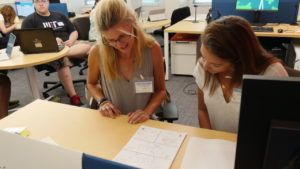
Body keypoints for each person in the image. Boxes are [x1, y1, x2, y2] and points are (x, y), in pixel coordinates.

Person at [193, 16, 288, 133]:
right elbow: (202, 110)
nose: (206, 67)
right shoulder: (203, 67)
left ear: (239, 61)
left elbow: (281, 125)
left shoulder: (272, 74)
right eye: (203, 57)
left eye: (216, 65)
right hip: (217, 143)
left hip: (251, 144)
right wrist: (210, 140)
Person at [87, 0, 166, 124]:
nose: (118, 45)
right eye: (111, 40)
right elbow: (91, 84)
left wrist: (146, 112)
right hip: (114, 120)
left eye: (122, 36)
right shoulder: (97, 51)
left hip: (144, 121)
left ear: (133, 23)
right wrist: (103, 101)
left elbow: (161, 90)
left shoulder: (152, 49)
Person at [22, 0, 92, 106]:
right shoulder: (29, 21)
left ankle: (98, 85)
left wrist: (71, 40)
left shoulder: (59, 16)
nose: (41, 3)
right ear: (34, 4)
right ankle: (73, 97)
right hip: (49, 50)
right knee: (62, 62)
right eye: (37, 1)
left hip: (69, 45)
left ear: (48, 2)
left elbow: (73, 31)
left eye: (44, 1)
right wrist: (51, 41)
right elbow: (28, 42)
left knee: (95, 50)